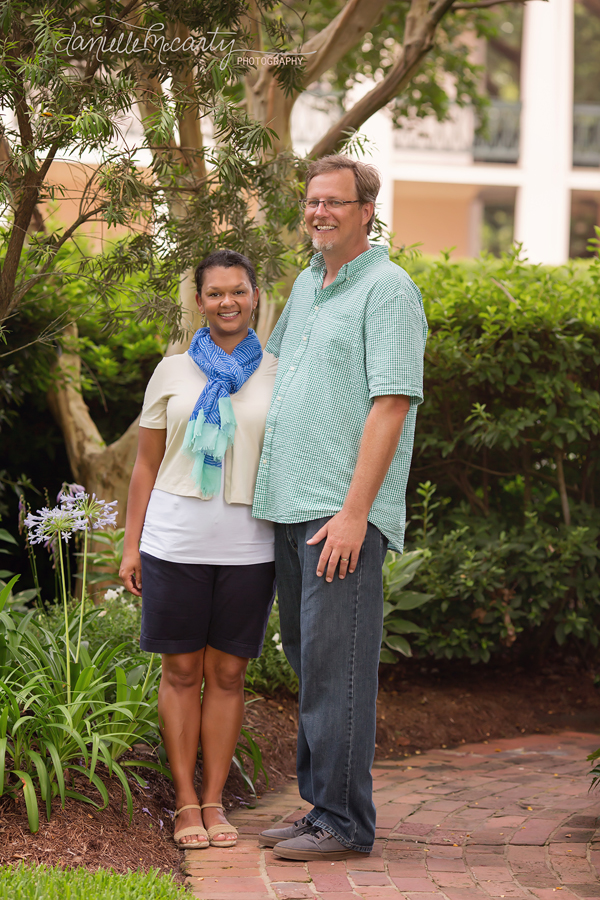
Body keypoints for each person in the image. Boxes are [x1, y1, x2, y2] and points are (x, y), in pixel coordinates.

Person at [252, 155, 428, 861]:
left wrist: (357, 512)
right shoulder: (307, 284)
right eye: (312, 202)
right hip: (291, 505)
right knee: (310, 662)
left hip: (338, 513)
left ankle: (346, 823)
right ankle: (320, 806)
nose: (319, 212)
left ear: (365, 212)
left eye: (333, 202)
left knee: (339, 668)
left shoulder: (389, 291)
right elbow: (274, 374)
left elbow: (391, 405)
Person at [120, 250, 277, 850]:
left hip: (250, 544)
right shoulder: (172, 371)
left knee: (229, 674)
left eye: (238, 291)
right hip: (174, 540)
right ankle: (185, 801)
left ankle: (216, 800)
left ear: (255, 296)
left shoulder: (279, 374)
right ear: (199, 300)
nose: (227, 302)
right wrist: (131, 546)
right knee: (182, 670)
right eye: (215, 293)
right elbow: (145, 465)